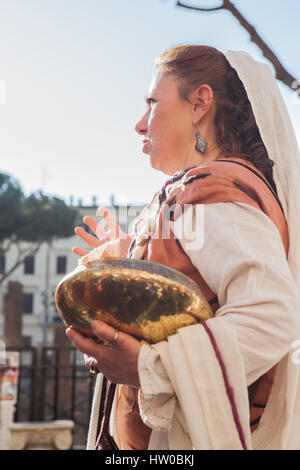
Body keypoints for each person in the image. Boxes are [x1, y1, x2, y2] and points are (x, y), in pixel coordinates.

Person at [66, 45, 300, 450]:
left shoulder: (208, 195)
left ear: (199, 103)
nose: (140, 125)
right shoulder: (206, 193)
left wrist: (147, 368)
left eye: (153, 102)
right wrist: (130, 261)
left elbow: (272, 316)